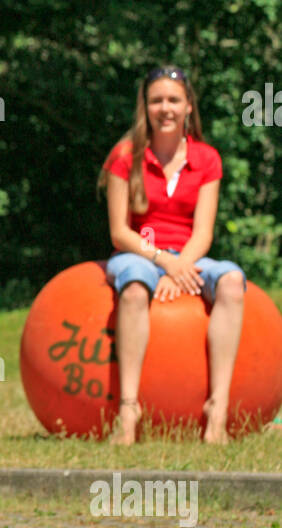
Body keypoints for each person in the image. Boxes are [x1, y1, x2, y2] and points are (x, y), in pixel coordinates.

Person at [99, 65, 245, 446]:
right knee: (133, 286)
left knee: (231, 280)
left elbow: (204, 233)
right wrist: (163, 261)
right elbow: (119, 231)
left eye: (174, 100)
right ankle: (129, 410)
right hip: (137, 252)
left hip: (189, 255)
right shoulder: (124, 156)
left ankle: (218, 409)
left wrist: (180, 265)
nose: (165, 108)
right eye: (156, 100)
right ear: (145, 107)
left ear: (189, 107)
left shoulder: (208, 158)